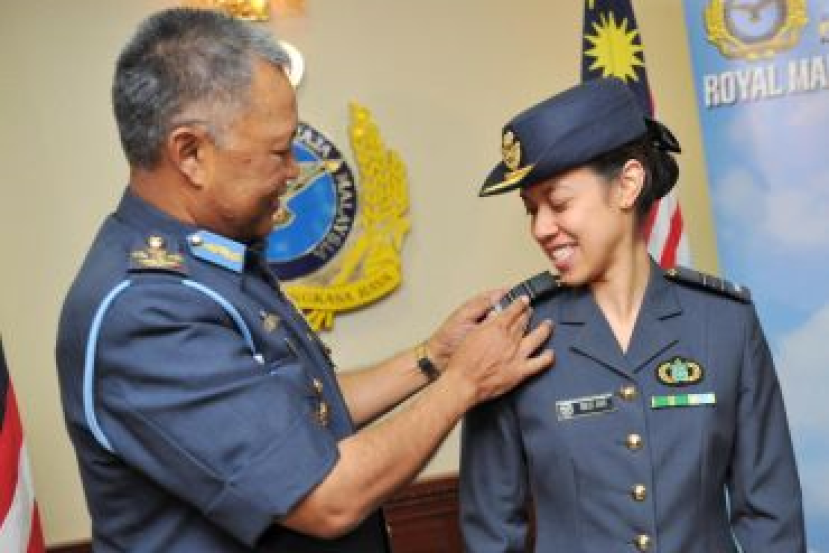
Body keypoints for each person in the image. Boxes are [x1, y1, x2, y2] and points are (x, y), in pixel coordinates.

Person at [55, 8, 554, 552]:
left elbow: (298, 416)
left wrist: (432, 358)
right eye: (278, 151)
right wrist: (465, 384)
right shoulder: (146, 310)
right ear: (190, 153)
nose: (294, 170)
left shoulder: (214, 262)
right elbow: (328, 497)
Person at [460, 78, 806, 552]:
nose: (541, 228)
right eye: (531, 210)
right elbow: (492, 535)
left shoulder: (724, 324)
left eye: (558, 203)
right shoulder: (513, 338)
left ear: (627, 184)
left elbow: (772, 521)